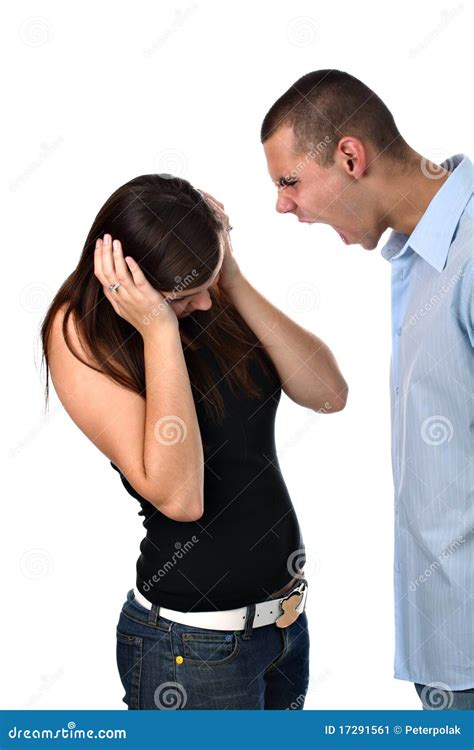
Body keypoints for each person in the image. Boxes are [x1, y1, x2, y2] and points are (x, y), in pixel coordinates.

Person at [40, 174, 348, 710]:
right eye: (187, 295)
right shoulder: (79, 332)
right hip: (189, 650)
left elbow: (328, 393)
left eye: (208, 285)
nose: (205, 305)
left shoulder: (208, 295)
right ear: (134, 286)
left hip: (284, 631)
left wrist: (228, 275)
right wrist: (160, 329)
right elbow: (180, 498)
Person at [260, 69, 473, 710]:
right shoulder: (418, 253)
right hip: (447, 650)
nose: (282, 205)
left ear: (351, 157)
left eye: (290, 181)